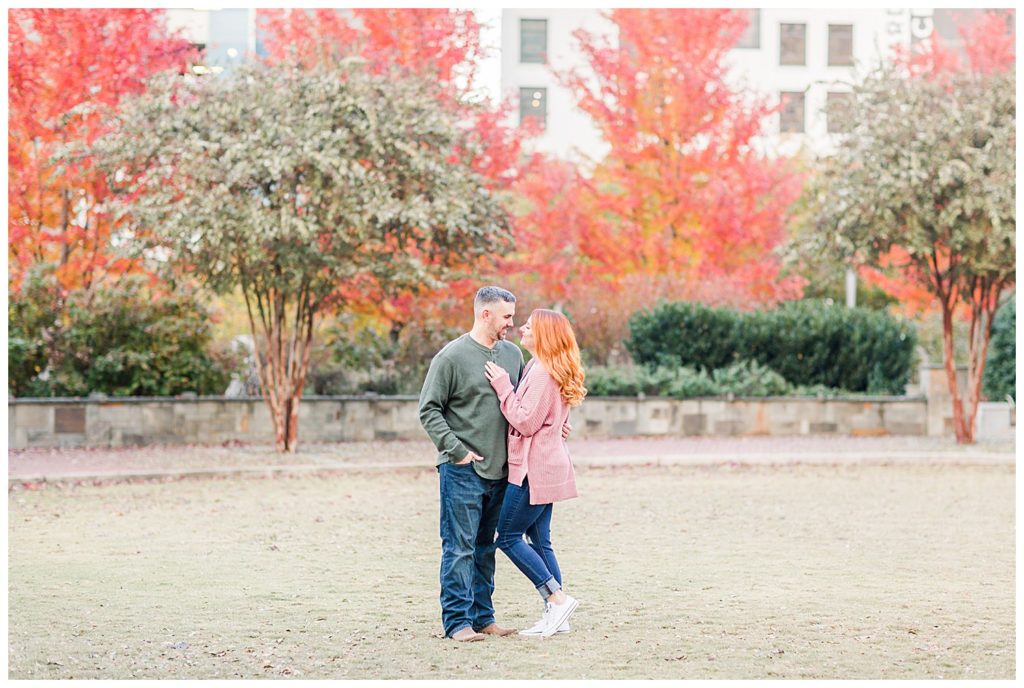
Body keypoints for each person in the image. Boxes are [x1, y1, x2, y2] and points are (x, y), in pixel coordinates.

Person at [419, 287, 570, 642]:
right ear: (485, 314)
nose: (512, 324)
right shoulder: (451, 357)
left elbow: (524, 406)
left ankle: (483, 617)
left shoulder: (513, 355)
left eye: (514, 317)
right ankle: (457, 623)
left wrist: (557, 421)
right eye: (506, 317)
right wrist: (455, 450)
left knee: (487, 545)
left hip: (505, 472)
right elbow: (429, 409)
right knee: (459, 547)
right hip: (462, 470)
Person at [483, 308, 586, 638]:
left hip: (534, 469)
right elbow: (554, 418)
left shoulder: (542, 372)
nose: (522, 329)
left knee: (508, 537)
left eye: (528, 326)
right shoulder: (542, 368)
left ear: (543, 334)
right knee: (540, 540)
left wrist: (502, 386)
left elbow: (525, 421)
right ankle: (558, 616)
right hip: (549, 463)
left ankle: (557, 599)